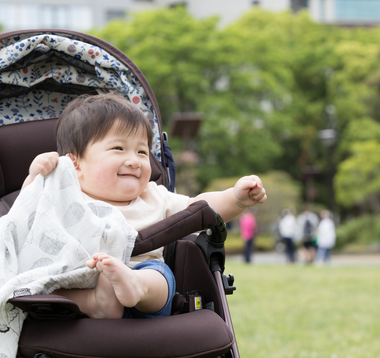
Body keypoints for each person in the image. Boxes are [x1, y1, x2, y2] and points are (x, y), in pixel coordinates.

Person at [21, 93, 267, 319]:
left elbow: (197, 207)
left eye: (141, 151)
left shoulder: (153, 197)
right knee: (40, 281)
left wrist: (234, 199)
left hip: (140, 288)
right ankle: (97, 301)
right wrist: (34, 178)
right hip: (78, 284)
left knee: (160, 274)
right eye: (118, 148)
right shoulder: (65, 195)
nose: (135, 161)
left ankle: (134, 285)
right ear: (74, 165)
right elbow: (25, 217)